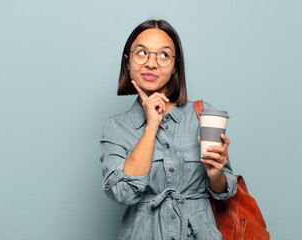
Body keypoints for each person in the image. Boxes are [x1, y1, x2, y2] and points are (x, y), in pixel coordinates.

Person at [100, 19, 237, 240]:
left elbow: (224, 192)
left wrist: (215, 175)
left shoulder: (203, 115)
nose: (151, 63)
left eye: (163, 55)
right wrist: (151, 126)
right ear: (127, 62)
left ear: (175, 66)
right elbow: (121, 193)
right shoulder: (117, 126)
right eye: (142, 53)